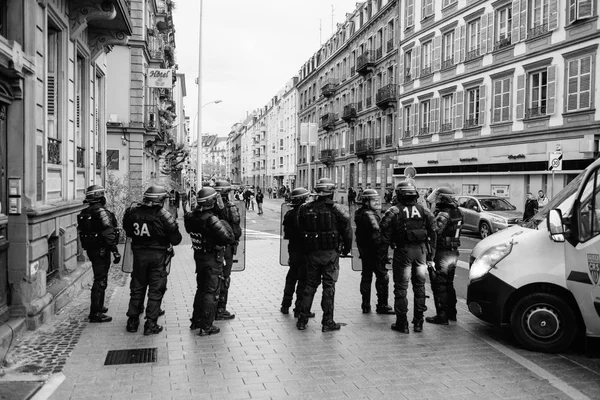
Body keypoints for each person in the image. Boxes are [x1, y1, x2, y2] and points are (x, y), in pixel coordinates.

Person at [123, 185, 182, 335]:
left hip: (138, 255)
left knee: (137, 288)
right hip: (157, 256)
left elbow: (128, 231)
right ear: (160, 200)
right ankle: (150, 323)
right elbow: (176, 239)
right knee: (156, 290)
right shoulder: (163, 215)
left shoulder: (132, 212)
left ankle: (132, 321)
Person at [296, 178, 353, 332]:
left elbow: (300, 230)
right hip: (330, 254)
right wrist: (346, 249)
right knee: (329, 287)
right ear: (331, 192)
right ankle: (327, 321)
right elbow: (347, 232)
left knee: (310, 285)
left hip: (312, 254)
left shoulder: (305, 209)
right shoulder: (337, 209)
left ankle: (302, 319)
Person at [380, 181, 436, 334]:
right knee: (419, 287)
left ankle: (402, 324)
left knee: (401, 288)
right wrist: (431, 255)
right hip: (421, 252)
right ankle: (418, 322)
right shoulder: (424, 211)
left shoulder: (394, 211)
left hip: (403, 253)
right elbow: (434, 231)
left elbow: (383, 235)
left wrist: (384, 256)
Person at [184, 187, 235, 336]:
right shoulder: (211, 219)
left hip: (199, 257)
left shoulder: (191, 216)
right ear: (211, 201)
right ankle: (206, 325)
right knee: (211, 292)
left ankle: (196, 321)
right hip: (212, 259)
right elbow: (228, 238)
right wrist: (223, 221)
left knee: (201, 289)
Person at [77, 184, 121, 323]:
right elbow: (108, 232)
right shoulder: (101, 212)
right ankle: (95, 313)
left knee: (100, 278)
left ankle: (99, 306)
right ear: (100, 196)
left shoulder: (85, 212)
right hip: (101, 250)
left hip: (92, 250)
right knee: (100, 280)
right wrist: (115, 251)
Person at [425, 187, 464, 325]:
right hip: (453, 251)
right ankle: (452, 313)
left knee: (439, 284)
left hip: (443, 252)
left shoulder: (444, 214)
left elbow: (435, 230)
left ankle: (442, 315)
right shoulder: (457, 211)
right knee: (449, 283)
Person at [354, 189, 394, 314]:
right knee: (382, 277)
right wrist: (382, 252)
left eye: (378, 199)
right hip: (375, 251)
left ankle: (365, 305)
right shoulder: (370, 215)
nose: (377, 202)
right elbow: (377, 234)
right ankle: (382, 305)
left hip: (364, 250)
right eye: (374, 200)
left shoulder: (359, 213)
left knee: (366, 276)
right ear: (366, 201)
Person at [281, 187, 314, 318]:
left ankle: (285, 305)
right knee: (303, 280)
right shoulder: (307, 214)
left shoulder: (289, 214)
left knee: (291, 277)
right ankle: (299, 308)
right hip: (305, 250)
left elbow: (287, 234)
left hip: (293, 249)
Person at [214, 180, 243, 321]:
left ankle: (210, 309)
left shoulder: (208, 207)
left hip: (211, 249)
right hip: (226, 248)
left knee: (212, 279)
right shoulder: (229, 207)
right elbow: (236, 230)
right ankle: (220, 309)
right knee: (224, 278)